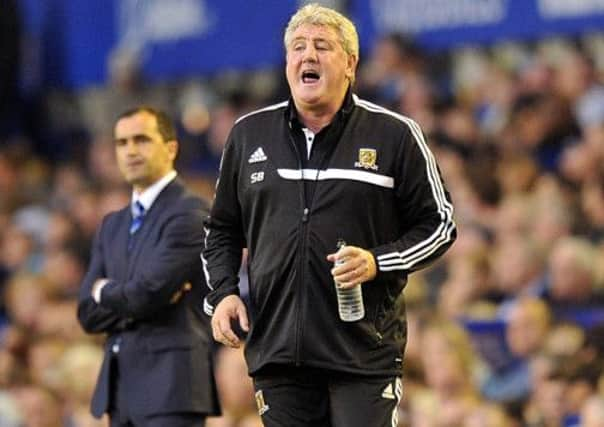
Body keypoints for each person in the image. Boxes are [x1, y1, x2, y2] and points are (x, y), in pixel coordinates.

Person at [202, 4, 456, 427]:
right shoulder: (248, 135)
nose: (308, 56)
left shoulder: (394, 134)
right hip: (278, 353)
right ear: (287, 63)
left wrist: (377, 261)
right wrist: (224, 293)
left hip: (362, 351)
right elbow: (223, 229)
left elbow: (441, 224)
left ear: (351, 64)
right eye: (298, 47)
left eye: (322, 46)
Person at [77, 106, 220, 426]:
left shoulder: (191, 212)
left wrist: (107, 291)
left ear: (171, 148)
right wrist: (128, 295)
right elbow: (86, 311)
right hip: (119, 390)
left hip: (172, 387)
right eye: (121, 143)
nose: (130, 151)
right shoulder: (112, 224)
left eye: (141, 140)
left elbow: (147, 293)